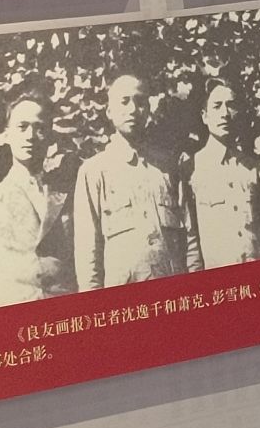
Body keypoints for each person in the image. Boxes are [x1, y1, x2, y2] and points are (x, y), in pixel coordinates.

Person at [74, 72, 194, 289]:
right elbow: (87, 252)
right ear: (109, 111)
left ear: (148, 109)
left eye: (140, 102)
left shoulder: (168, 167)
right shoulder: (94, 172)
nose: (132, 109)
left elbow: (190, 237)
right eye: (124, 101)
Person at [0, 87, 68, 310]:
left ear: (50, 137)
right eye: (22, 127)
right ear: (7, 134)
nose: (30, 135)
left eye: (39, 128)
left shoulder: (68, 197)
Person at [184, 79, 260, 270]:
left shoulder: (253, 168)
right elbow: (190, 237)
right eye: (217, 106)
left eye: (231, 105)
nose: (225, 113)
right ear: (204, 116)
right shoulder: (192, 168)